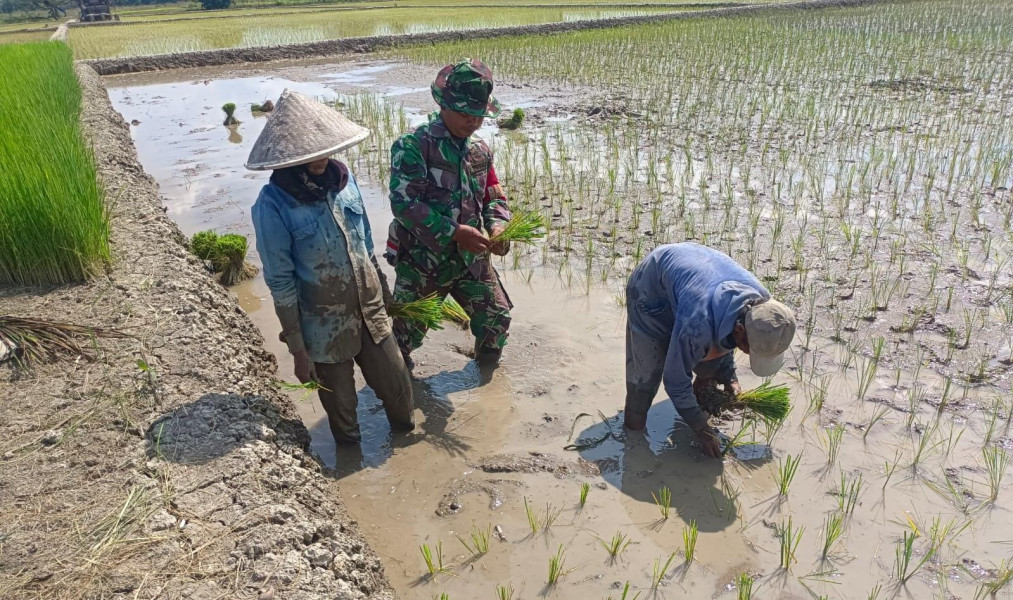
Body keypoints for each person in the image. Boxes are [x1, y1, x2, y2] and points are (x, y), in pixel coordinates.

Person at [247, 89, 414, 445]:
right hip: (322, 326)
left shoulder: (345, 183)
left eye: (324, 150)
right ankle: (351, 464)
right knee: (344, 419)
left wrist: (385, 297)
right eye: (310, 154)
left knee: (400, 393)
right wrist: (298, 350)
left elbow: (366, 246)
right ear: (290, 158)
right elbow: (281, 283)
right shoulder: (273, 204)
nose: (321, 159)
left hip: (370, 312)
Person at [386, 58, 513, 371]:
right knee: (405, 335)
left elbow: (493, 196)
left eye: (478, 115)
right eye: (464, 114)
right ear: (443, 105)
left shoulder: (480, 149)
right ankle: (398, 388)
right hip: (423, 260)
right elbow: (404, 204)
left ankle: (486, 379)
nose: (473, 122)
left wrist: (498, 228)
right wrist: (454, 232)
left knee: (497, 319)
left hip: (470, 259)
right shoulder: (415, 146)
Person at [623, 242, 796, 458]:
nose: (749, 354)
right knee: (645, 380)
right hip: (651, 288)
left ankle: (695, 404)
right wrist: (701, 429)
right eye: (751, 350)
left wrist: (729, 377)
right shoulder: (698, 324)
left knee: (710, 365)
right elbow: (675, 380)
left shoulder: (764, 308)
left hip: (695, 281)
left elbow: (726, 332)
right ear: (740, 330)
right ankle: (632, 447)